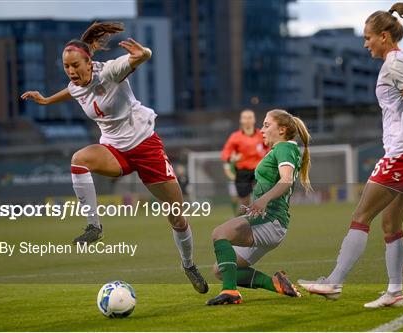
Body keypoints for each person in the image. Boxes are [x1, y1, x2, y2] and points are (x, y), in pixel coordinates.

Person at [298, 3, 403, 308]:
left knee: (361, 216)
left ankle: (334, 282)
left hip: (402, 154)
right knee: (391, 225)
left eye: (368, 37)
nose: (365, 43)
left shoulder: (394, 65)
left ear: (384, 36)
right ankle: (395, 292)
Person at [21, 22, 208, 294]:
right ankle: (94, 226)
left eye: (75, 65)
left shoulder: (109, 71)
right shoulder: (75, 84)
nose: (71, 72)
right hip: (114, 151)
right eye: (66, 67)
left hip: (145, 148)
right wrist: (47, 101)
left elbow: (141, 57)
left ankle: (188, 264)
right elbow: (72, 92)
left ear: (89, 62)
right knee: (79, 160)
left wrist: (142, 52)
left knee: (177, 217)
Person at [207, 109, 312, 305]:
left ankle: (230, 292)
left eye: (266, 125)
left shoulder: (284, 148)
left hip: (270, 220)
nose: (261, 129)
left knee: (219, 233)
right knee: (221, 270)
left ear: (281, 130)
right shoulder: (281, 149)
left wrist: (263, 200)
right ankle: (276, 284)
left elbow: (286, 180)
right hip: (267, 221)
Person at [221, 109, 268, 216]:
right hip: (242, 171)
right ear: (241, 120)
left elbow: (270, 148)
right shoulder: (235, 137)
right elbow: (225, 153)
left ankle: (264, 218)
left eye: (250, 117)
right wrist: (231, 157)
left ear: (254, 120)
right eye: (245, 118)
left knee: (262, 195)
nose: (247, 120)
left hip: (259, 170)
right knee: (244, 201)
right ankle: (242, 218)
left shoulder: (261, 135)